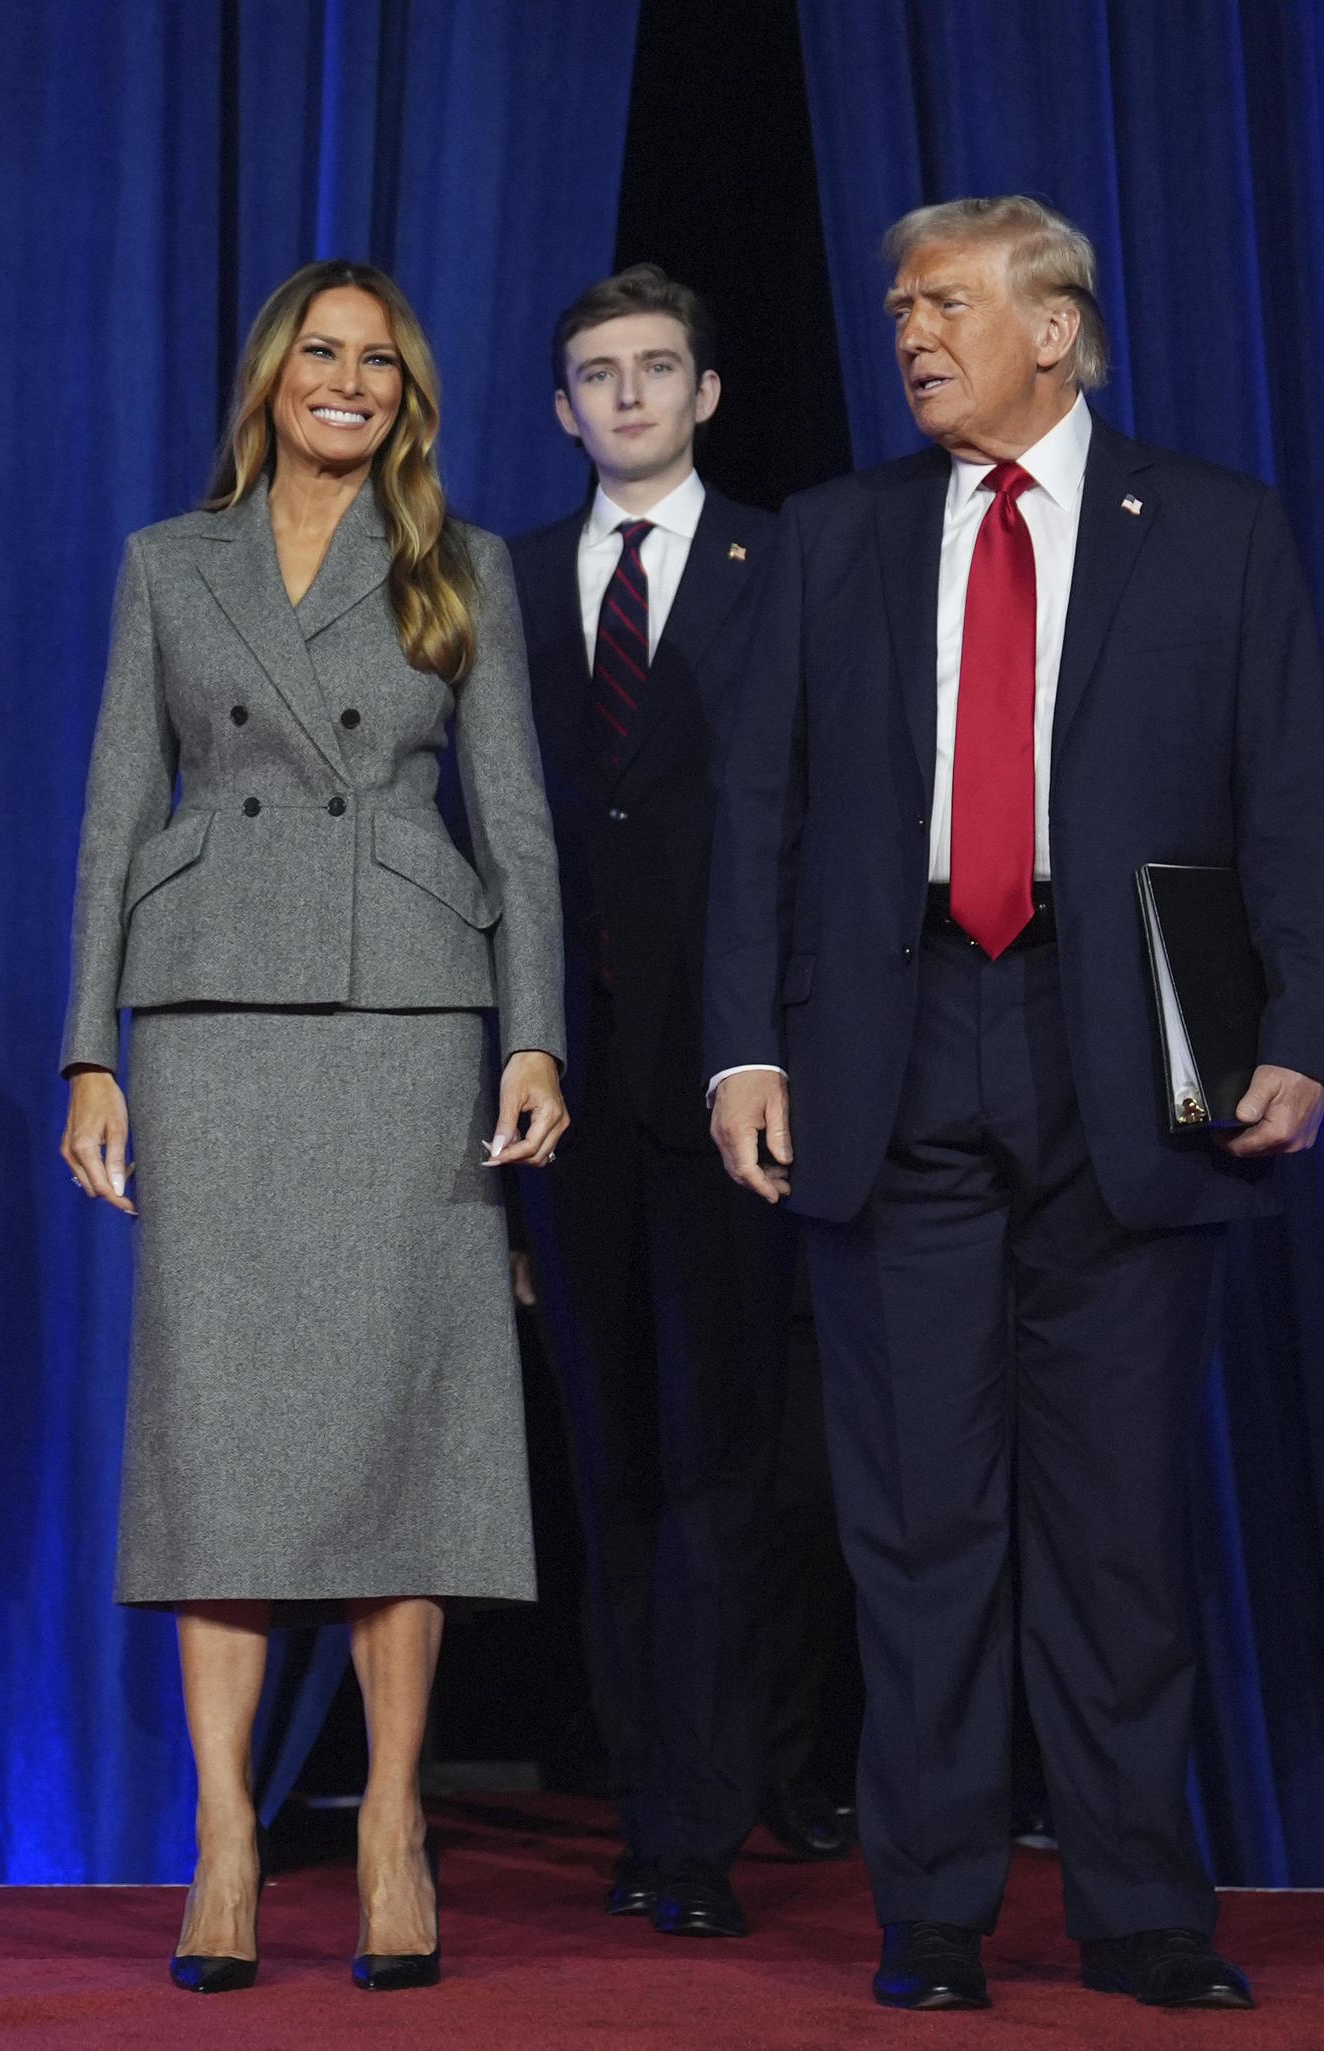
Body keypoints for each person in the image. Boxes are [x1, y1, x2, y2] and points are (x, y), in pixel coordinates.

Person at [704, 196, 1324, 2014]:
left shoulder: (1214, 530)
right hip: (891, 1053)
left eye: (948, 304)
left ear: (1058, 326)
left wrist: (1306, 1032)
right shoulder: (836, 538)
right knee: (918, 1521)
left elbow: (1289, 795)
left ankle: (1141, 1907)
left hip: (1128, 1066)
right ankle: (933, 1908)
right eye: (900, 306)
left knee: (1118, 1520)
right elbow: (757, 819)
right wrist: (739, 1049)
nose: (911, 333)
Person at [58, 259, 569, 1996]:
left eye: (380, 363)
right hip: (209, 1021)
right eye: (321, 354)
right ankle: (222, 1840)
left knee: (394, 1432)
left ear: (406, 397)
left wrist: (537, 1040)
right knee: (222, 1438)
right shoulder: (165, 565)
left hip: (409, 1018)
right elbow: (119, 804)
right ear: (273, 373)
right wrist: (89, 1053)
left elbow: (518, 828)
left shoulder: (460, 564)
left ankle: (390, 1825)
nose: (347, 382)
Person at [502, 266, 835, 1944]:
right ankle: (650, 1800)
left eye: (656, 369)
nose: (626, 396)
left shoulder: (791, 564)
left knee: (729, 1458)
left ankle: (710, 1819)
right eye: (594, 375)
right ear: (560, 409)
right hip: (559, 1086)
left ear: (706, 393)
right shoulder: (495, 582)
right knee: (607, 1458)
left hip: (733, 1082)